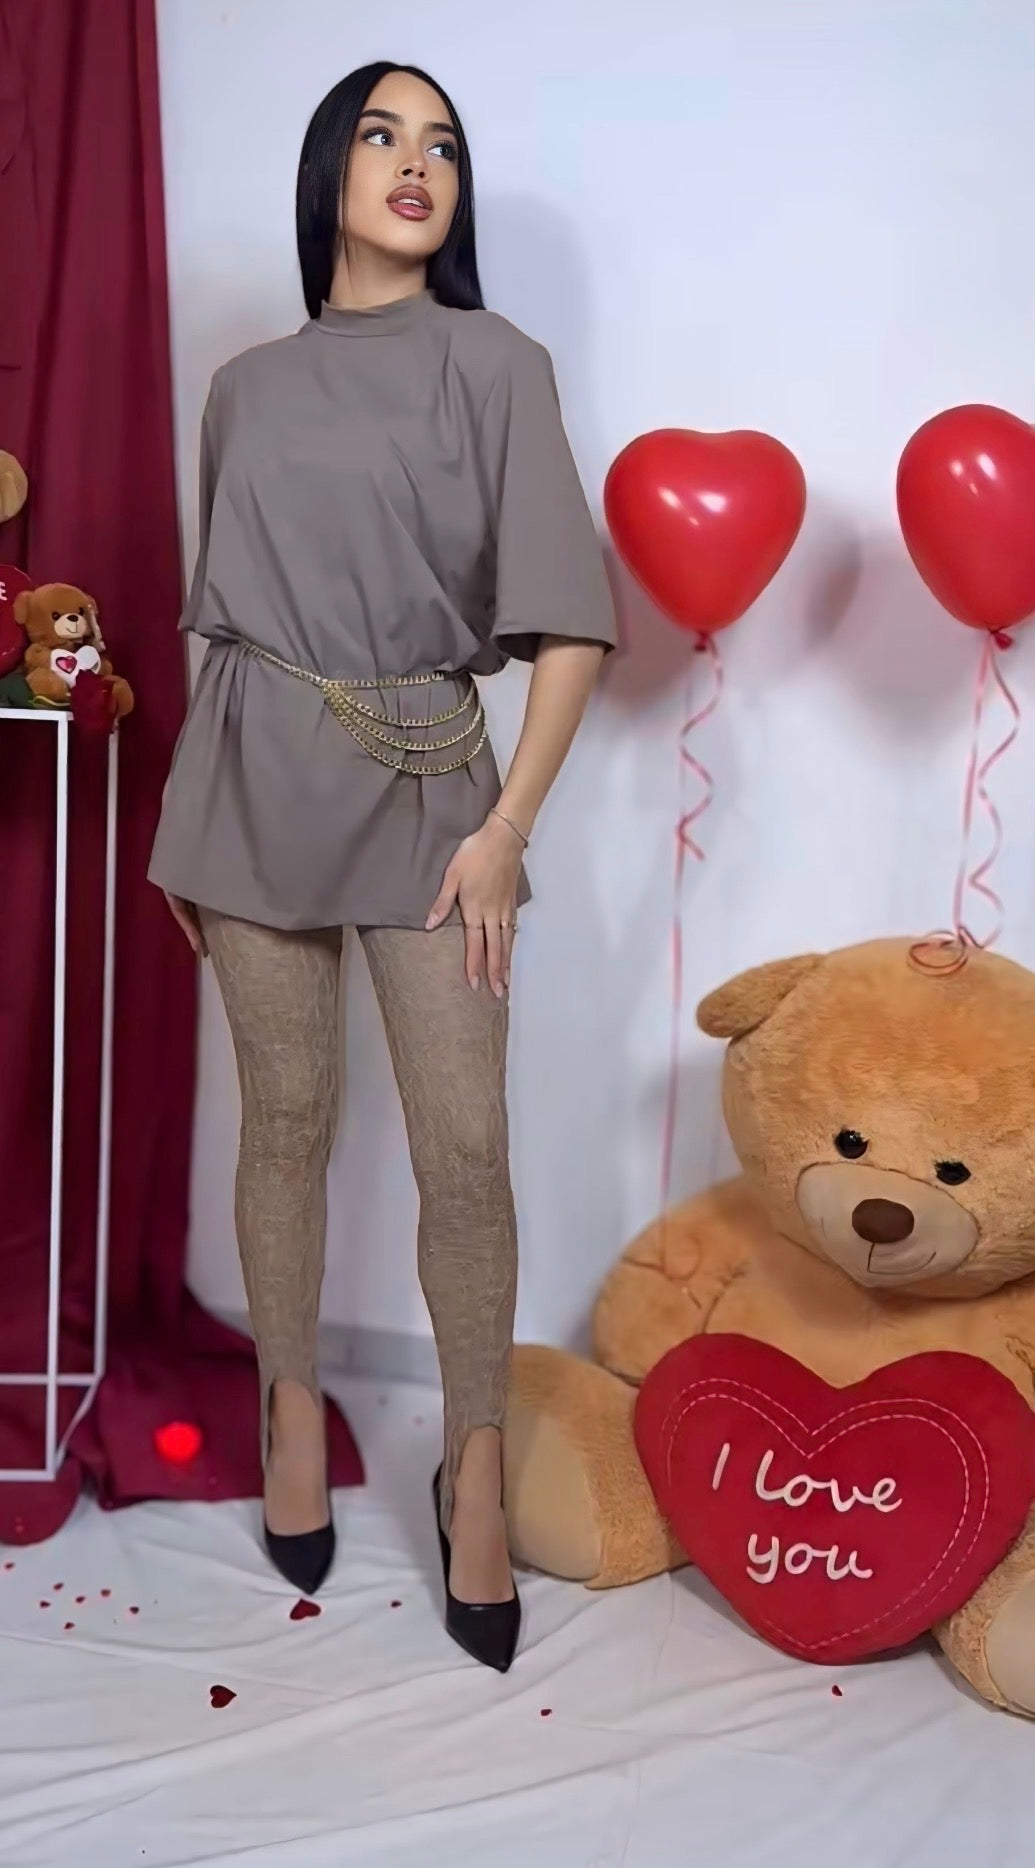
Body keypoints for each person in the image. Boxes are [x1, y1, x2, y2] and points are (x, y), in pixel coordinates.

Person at [149, 60, 615, 1673]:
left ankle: (471, 1471)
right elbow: (226, 634)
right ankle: (290, 1411)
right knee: (284, 1123)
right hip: (250, 792)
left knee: (463, 1150)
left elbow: (569, 628)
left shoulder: (498, 364)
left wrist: (506, 833)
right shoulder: (244, 389)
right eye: (380, 134)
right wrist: (187, 822)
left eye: (443, 147)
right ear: (327, 172)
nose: (416, 164)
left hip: (433, 792)